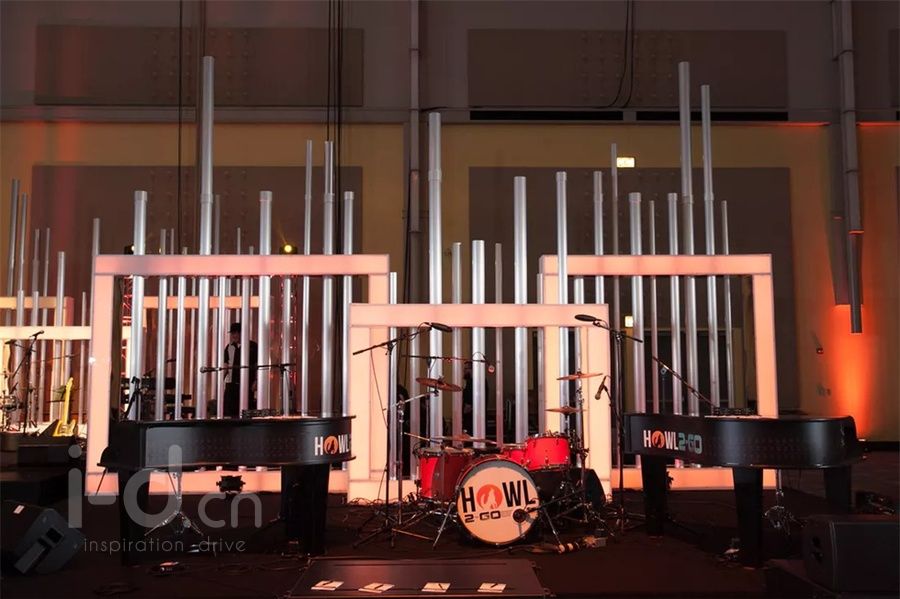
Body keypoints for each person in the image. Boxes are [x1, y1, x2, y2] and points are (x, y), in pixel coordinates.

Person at [223, 322, 258, 418]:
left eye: (236, 333)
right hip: (231, 385)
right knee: (229, 411)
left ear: (241, 333)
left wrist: (256, 381)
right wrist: (221, 380)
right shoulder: (229, 347)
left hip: (247, 384)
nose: (234, 336)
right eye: (232, 333)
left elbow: (257, 365)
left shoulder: (252, 346)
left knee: (246, 411)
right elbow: (225, 365)